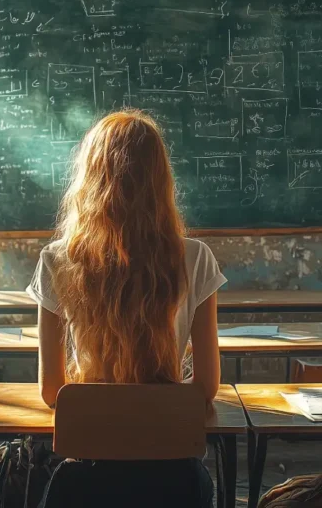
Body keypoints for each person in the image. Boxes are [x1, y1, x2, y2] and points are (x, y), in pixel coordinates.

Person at [26, 109, 227, 408]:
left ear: (89, 179)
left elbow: (52, 391)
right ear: (160, 180)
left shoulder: (58, 259)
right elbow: (206, 387)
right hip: (170, 445)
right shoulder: (196, 257)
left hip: (90, 445)